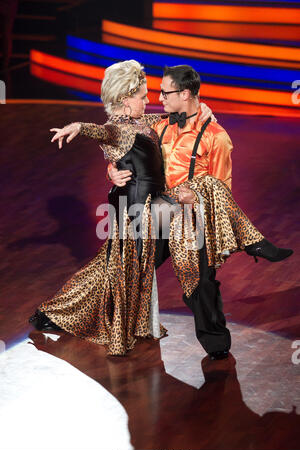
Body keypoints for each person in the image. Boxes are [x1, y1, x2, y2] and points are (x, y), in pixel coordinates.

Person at [31, 61, 292, 359]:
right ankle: (253, 241)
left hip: (176, 211)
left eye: (160, 93)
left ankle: (215, 341)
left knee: (172, 276)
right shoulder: (139, 126)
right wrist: (97, 152)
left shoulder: (186, 130)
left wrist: (202, 113)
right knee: (119, 270)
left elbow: (217, 181)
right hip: (147, 214)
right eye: (147, 95)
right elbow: (113, 138)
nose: (154, 99)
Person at [29, 60, 213, 356]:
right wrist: (78, 126)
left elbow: (163, 121)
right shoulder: (118, 128)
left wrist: (194, 109)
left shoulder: (141, 123)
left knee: (117, 267)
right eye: (142, 96)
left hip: (152, 206)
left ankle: (60, 313)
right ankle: (60, 314)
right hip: (136, 211)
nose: (148, 100)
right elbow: (103, 133)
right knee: (122, 268)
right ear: (126, 100)